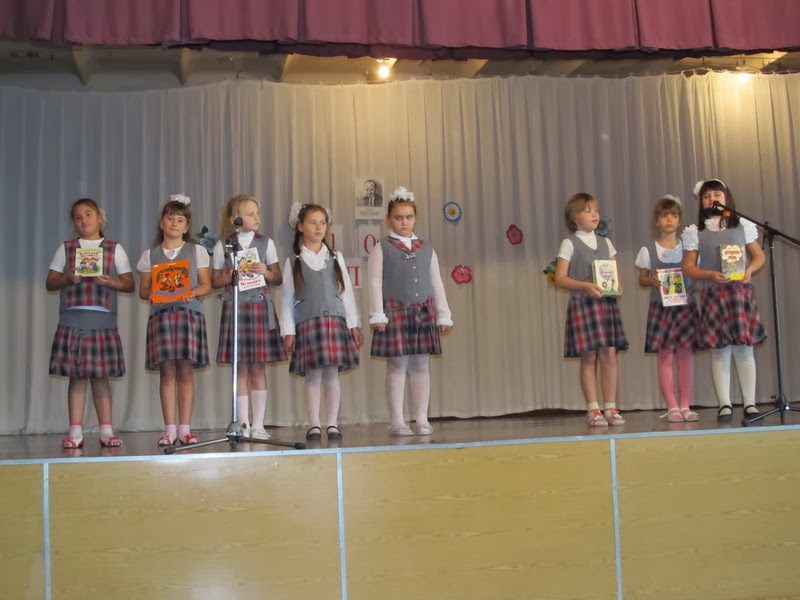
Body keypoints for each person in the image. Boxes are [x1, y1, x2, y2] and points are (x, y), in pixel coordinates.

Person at [46, 198, 135, 449]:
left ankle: (106, 431)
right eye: (77, 216)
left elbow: (129, 283)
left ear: (100, 218)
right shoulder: (66, 248)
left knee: (100, 376)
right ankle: (75, 432)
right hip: (73, 318)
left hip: (102, 319)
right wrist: (67, 278)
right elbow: (50, 282)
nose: (83, 220)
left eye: (88, 214)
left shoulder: (114, 248)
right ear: (73, 223)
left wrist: (110, 283)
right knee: (77, 376)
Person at [368, 186, 453, 436]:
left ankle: (421, 418)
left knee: (421, 365)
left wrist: (444, 313)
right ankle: (397, 420)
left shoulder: (426, 248)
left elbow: (437, 282)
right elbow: (375, 282)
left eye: (409, 217)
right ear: (389, 219)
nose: (404, 222)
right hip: (395, 312)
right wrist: (377, 313)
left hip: (423, 312)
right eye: (398, 217)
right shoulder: (382, 247)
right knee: (397, 365)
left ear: (415, 218)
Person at [681, 179, 766, 422]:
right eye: (707, 196)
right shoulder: (696, 232)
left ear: (726, 198)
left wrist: (750, 270)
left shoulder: (742, 226)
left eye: (716, 194)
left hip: (739, 294)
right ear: (701, 202)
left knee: (745, 349)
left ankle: (750, 403)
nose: (712, 199)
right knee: (720, 351)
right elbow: (688, 267)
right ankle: (725, 404)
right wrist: (709, 274)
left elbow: (759, 255)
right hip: (713, 296)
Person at [280, 203, 363, 442]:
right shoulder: (293, 261)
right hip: (308, 323)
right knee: (313, 375)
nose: (318, 227)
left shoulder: (336, 257)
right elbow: (287, 298)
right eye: (313, 222)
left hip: (335, 321)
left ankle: (332, 423)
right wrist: (288, 330)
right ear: (300, 226)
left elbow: (346, 292)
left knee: (332, 374)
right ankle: (314, 424)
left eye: (322, 223)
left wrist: (353, 324)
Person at [137, 194, 211, 445]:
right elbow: (143, 291)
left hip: (189, 316)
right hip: (162, 317)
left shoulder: (196, 251)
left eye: (180, 220)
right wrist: (153, 295)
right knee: (166, 373)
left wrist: (192, 293)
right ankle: (169, 430)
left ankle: (185, 429)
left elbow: (206, 286)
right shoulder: (150, 255)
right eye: (170, 218)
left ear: (187, 227)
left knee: (186, 373)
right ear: (161, 223)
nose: (174, 224)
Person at [211, 194, 286, 440]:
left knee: (258, 367)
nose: (256, 218)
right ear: (235, 218)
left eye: (257, 213)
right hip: (236, 308)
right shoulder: (224, 245)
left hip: (259, 307)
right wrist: (229, 275)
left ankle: (259, 424)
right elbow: (214, 281)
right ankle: (242, 423)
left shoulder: (266, 243)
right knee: (240, 368)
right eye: (250, 214)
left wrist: (266, 272)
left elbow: (278, 277)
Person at [554, 193, 628, 427]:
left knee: (610, 355)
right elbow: (560, 278)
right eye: (587, 211)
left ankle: (611, 407)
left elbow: (615, 271)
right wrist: (585, 286)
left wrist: (618, 285)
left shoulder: (606, 242)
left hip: (606, 305)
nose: (594, 214)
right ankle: (593, 409)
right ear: (574, 218)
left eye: (596, 209)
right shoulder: (569, 243)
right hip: (584, 305)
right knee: (589, 357)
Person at [635, 195, 698, 423]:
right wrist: (652, 281)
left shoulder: (689, 249)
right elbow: (642, 279)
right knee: (665, 355)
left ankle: (685, 405)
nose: (669, 220)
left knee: (685, 354)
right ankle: (672, 406)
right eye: (664, 216)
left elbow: (696, 276)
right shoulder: (648, 250)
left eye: (673, 215)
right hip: (660, 307)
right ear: (657, 221)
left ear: (679, 220)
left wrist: (691, 289)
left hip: (684, 306)